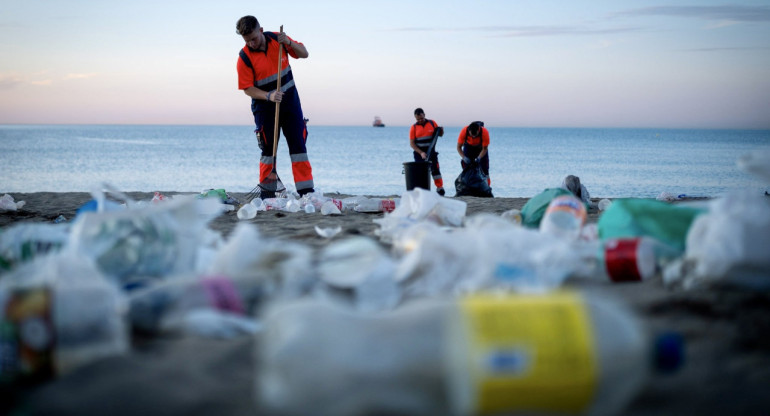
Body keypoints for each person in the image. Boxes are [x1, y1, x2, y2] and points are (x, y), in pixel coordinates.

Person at [236, 15, 314, 197]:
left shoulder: (277, 41)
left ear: (261, 30)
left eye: (254, 39)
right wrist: (268, 96)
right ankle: (267, 194)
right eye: (247, 41)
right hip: (264, 107)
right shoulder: (244, 58)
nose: (251, 44)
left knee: (298, 146)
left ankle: (306, 192)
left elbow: (304, 53)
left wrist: (288, 42)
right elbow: (247, 88)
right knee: (268, 151)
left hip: (291, 102)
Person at [409, 108, 445, 195]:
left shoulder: (432, 123)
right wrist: (421, 153)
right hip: (419, 153)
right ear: (415, 118)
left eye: (421, 118)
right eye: (418, 119)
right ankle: (422, 190)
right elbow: (412, 144)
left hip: (432, 151)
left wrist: (442, 131)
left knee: (435, 170)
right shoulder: (413, 128)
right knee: (421, 172)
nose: (420, 120)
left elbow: (440, 135)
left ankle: (440, 188)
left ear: (424, 115)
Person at [456, 121, 490, 186]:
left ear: (478, 130)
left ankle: (487, 186)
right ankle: (468, 185)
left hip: (481, 149)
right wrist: (464, 157)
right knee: (466, 167)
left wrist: (479, 158)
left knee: (484, 169)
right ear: (469, 131)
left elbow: (484, 149)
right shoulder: (464, 131)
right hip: (468, 147)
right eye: (472, 135)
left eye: (475, 135)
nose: (474, 137)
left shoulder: (484, 132)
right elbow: (458, 147)